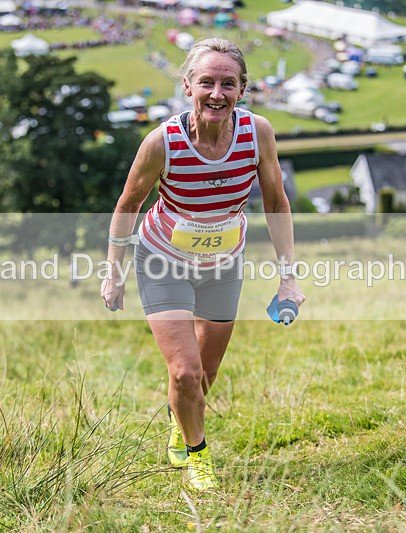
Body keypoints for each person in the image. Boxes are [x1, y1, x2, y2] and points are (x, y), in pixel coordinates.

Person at [100, 37, 305, 491]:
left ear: (243, 89)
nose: (217, 93)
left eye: (228, 83)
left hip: (223, 264)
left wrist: (288, 277)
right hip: (163, 261)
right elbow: (128, 204)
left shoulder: (258, 134)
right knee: (185, 370)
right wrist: (113, 270)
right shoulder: (162, 143)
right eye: (207, 82)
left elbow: (276, 200)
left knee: (204, 375)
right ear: (188, 86)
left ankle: (180, 421)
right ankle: (198, 455)